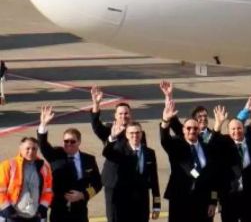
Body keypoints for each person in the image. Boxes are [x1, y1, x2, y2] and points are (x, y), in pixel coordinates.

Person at [36, 106, 101, 222]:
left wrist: (83, 195)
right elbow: (43, 145)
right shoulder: (56, 155)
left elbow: (97, 183)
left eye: (72, 141)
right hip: (58, 211)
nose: (69, 144)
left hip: (80, 211)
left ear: (79, 142)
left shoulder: (89, 159)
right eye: (66, 141)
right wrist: (43, 124)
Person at [159, 100, 218, 222]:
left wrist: (213, 201)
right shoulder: (176, 146)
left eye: (195, 128)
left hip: (203, 201)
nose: (192, 130)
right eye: (189, 128)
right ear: (184, 130)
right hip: (180, 200)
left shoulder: (207, 147)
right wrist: (165, 122)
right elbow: (165, 140)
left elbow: (213, 178)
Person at [87, 86, 136, 222]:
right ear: (115, 116)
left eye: (126, 113)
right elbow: (96, 126)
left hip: (132, 181)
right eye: (120, 113)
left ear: (130, 115)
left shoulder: (136, 131)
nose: (123, 116)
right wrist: (96, 104)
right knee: (114, 216)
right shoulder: (110, 130)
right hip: (113, 181)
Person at [214, 105, 251, 222]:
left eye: (239, 128)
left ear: (244, 129)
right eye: (233, 129)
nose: (236, 131)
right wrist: (218, 124)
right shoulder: (224, 145)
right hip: (229, 198)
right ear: (228, 131)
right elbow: (214, 141)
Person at [101, 123, 161, 222]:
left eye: (138, 132)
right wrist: (113, 137)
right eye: (131, 133)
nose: (135, 136)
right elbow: (106, 152)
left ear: (142, 134)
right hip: (123, 201)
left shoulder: (149, 152)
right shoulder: (120, 150)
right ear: (126, 135)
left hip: (142, 201)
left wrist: (156, 205)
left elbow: (154, 179)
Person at [0, 138, 53, 222]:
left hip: (34, 216)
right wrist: (7, 208)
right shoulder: (7, 166)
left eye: (34, 149)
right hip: (13, 216)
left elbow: (48, 190)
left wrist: (43, 206)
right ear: (20, 148)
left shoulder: (44, 167)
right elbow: (0, 190)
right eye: (27, 148)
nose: (31, 151)